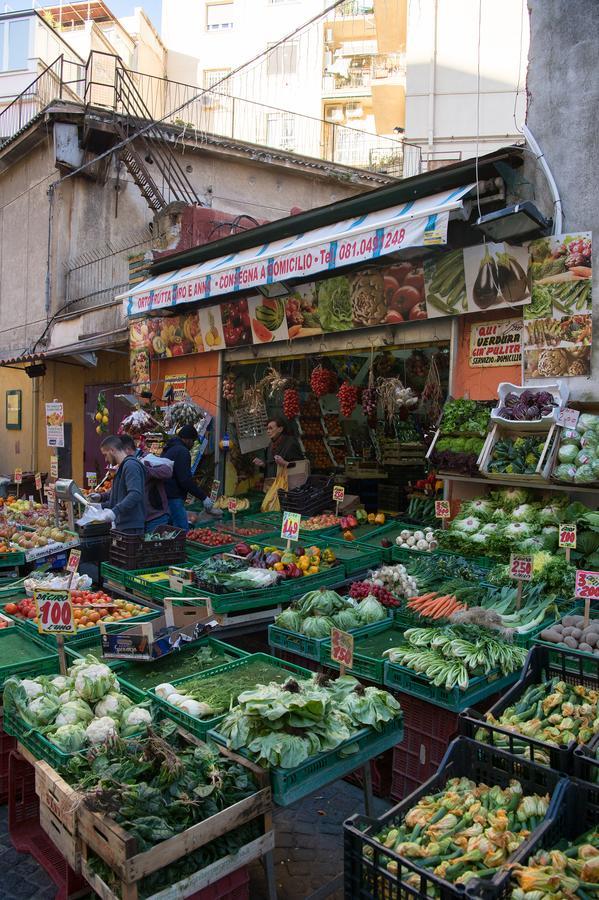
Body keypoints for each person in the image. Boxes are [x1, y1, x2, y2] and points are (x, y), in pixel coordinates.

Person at [162, 424, 213, 531]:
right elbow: (185, 480)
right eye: (193, 441)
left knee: (170, 530)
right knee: (181, 531)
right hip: (174, 497)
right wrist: (203, 497)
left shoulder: (169, 448)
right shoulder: (182, 451)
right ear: (188, 440)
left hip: (165, 495)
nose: (193, 444)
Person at [99, 435, 146, 534]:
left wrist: (114, 511)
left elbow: (135, 494)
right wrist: (100, 502)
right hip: (124, 525)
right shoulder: (122, 466)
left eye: (105, 455)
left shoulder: (130, 466)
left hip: (132, 526)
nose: (105, 460)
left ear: (112, 450)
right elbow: (118, 497)